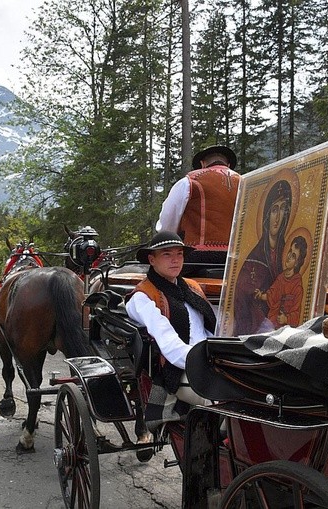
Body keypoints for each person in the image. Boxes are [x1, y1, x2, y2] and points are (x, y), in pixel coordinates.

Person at [126, 231, 217, 410]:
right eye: (167, 254)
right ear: (152, 260)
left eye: (179, 254)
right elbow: (167, 341)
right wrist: (201, 362)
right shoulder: (143, 296)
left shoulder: (192, 287)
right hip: (177, 368)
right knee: (220, 400)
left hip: (210, 361)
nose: (175, 260)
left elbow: (212, 326)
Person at [156, 145, 241, 266]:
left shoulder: (190, 181)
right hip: (236, 258)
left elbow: (168, 220)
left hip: (196, 257)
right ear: (228, 165)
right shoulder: (245, 183)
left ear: (202, 163)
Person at [232, 179, 292, 335]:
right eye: (274, 210)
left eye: (283, 210)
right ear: (266, 215)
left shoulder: (288, 253)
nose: (278, 217)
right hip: (259, 330)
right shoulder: (254, 259)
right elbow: (244, 298)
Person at [254, 235, 308, 328]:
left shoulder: (297, 286)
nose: (289, 257)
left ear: (297, 263)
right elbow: (272, 295)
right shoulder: (281, 278)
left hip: (285, 329)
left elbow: (296, 313)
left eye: (293, 256)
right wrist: (260, 296)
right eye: (290, 252)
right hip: (271, 322)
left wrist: (286, 319)